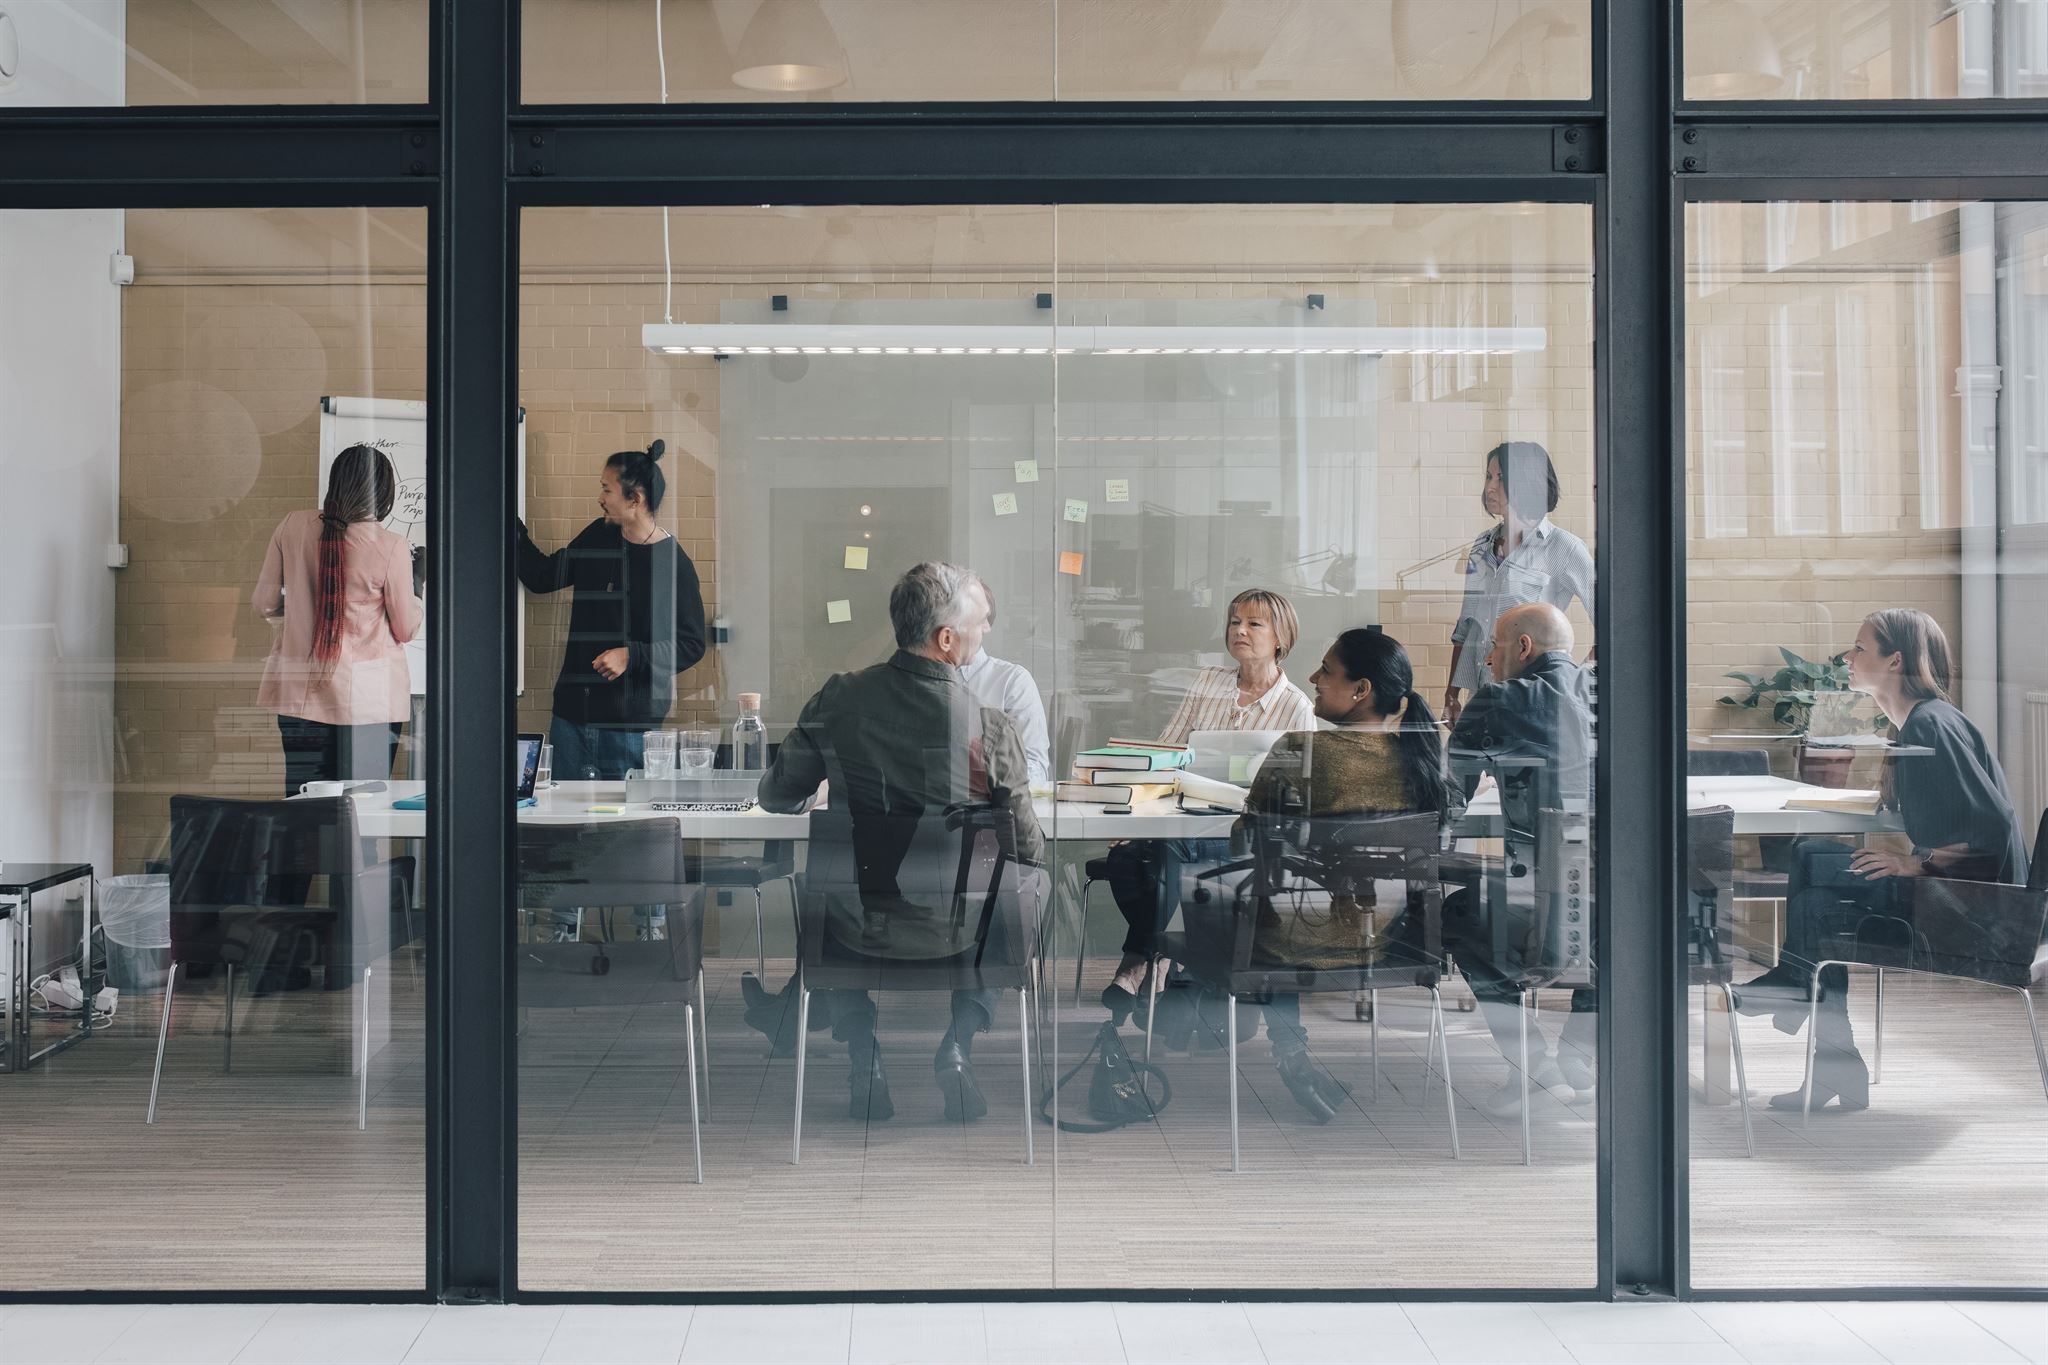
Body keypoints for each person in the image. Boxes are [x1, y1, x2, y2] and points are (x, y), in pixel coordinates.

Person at [748, 563, 1045, 1124]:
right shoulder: (990, 724)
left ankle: (866, 1056)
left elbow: (777, 797)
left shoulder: (840, 696)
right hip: (962, 934)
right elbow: (1029, 847)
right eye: (980, 624)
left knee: (828, 886)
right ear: (947, 638)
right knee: (1030, 884)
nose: (986, 633)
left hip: (856, 926)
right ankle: (958, 1044)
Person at [1735, 609, 2027, 1113]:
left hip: (1975, 913)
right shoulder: (1916, 723)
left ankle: (1800, 999)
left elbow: (1994, 830)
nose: (1847, 658)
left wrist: (1919, 864)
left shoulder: (1931, 726)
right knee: (1810, 855)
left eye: (1859, 648)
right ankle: (1812, 1023)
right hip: (1954, 897)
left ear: (1895, 660)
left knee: (1819, 909)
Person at [1184, 629, 1451, 1124]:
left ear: (1361, 689)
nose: (1313, 678)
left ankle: (1276, 1048)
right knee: (1271, 910)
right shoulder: (1424, 762)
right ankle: (1280, 1052)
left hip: (1294, 945)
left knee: (1219, 898)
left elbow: (1247, 840)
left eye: (1327, 670)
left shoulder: (1301, 750)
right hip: (1393, 944)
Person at [1101, 588, 1316, 1000]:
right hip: (1182, 822)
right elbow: (1167, 753)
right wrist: (1138, 815)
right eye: (1235, 621)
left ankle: (1138, 959)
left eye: (1254, 623)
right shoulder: (1208, 683)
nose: (1240, 630)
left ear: (1280, 638)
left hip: (1244, 837)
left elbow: (1294, 793)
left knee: (1162, 854)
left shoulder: (1296, 707)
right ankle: (1157, 954)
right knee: (1127, 857)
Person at [1443, 601, 1598, 1118]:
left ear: (1523, 648)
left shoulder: (1504, 697)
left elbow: (1448, 797)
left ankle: (1533, 1069)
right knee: (1601, 919)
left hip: (1550, 910)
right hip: (1636, 915)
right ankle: (1582, 1053)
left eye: (1494, 647)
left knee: (1458, 913)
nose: (1488, 659)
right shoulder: (1613, 693)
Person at [515, 440, 708, 782]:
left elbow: (691, 644)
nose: (600, 498)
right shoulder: (599, 535)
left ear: (635, 499)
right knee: (565, 830)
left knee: (623, 831)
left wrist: (630, 656)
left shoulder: (671, 564)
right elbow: (544, 577)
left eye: (607, 489)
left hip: (629, 729)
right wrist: (509, 524)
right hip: (572, 718)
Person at [254, 442, 422, 798]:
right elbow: (406, 628)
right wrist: (418, 587)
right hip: (368, 704)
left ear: (335, 482)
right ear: (384, 492)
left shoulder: (291, 526)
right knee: (364, 818)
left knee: (304, 814)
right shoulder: (390, 545)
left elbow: (265, 604)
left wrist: (303, 603)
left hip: (301, 696)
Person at [1442, 441, 1594, 729]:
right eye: (1489, 476)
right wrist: (1451, 694)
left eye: (1501, 478)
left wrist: (1575, 680)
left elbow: (1613, 627)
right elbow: (1466, 628)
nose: (1490, 487)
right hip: (1481, 700)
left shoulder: (1565, 549)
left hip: (1533, 706)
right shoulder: (1481, 546)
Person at [959, 576, 1051, 786]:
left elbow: (1037, 772)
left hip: (994, 810)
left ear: (985, 623)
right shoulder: (919, 680)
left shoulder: (1013, 681)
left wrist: (985, 773)